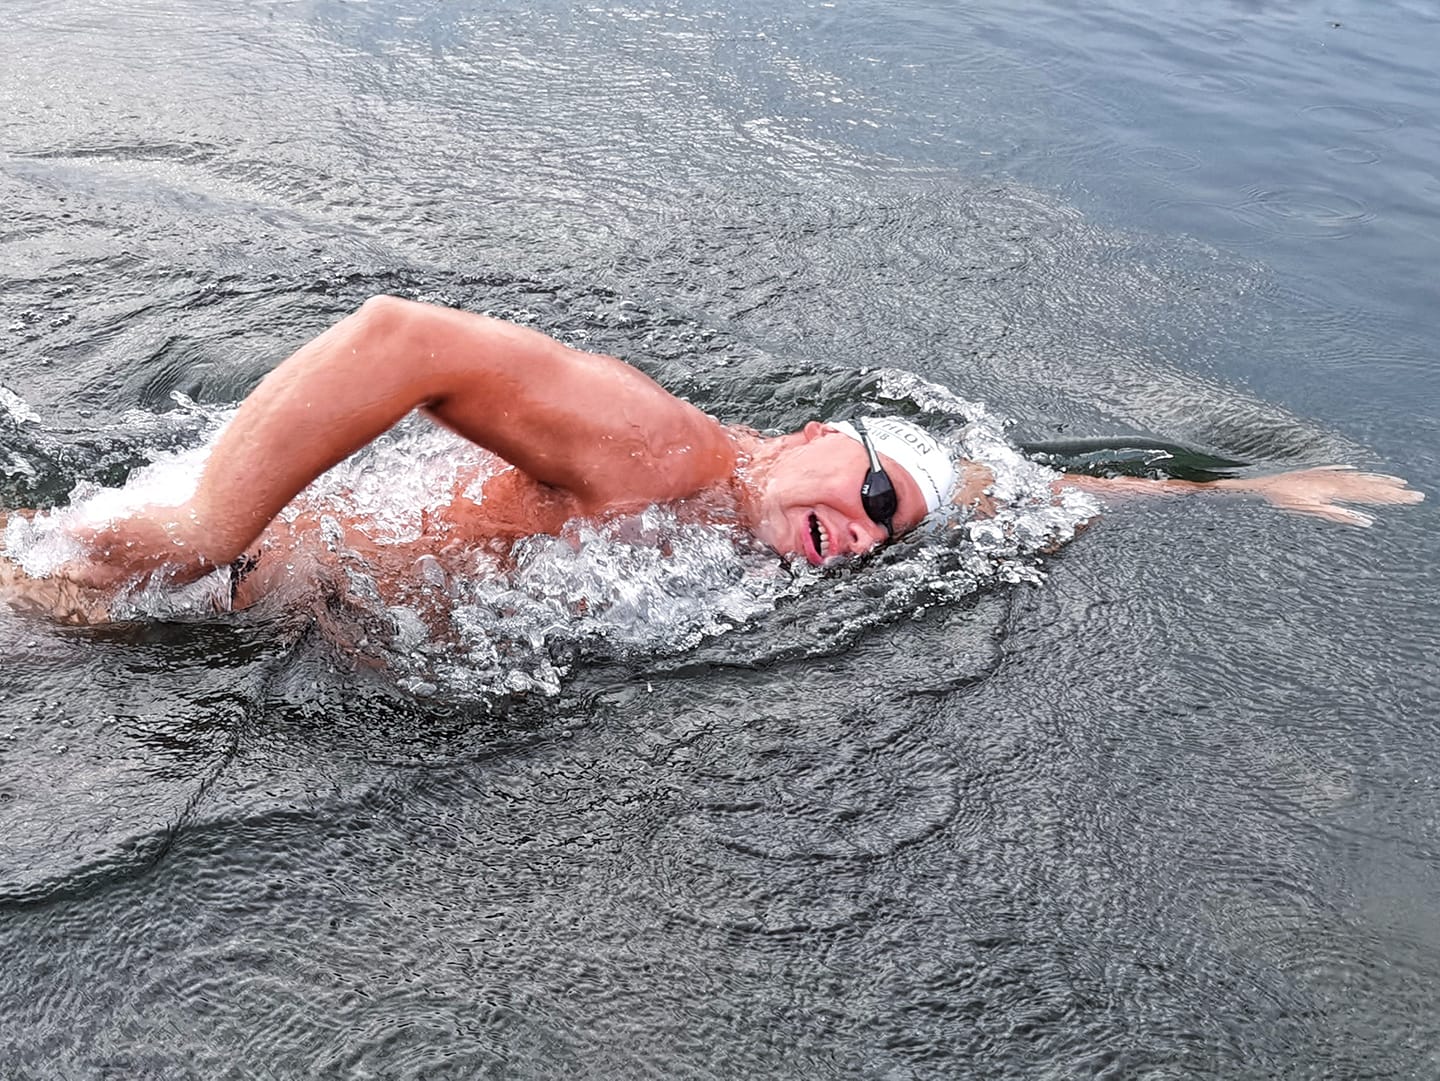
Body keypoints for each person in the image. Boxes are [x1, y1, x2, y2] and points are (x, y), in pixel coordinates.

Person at [0, 295, 1424, 621]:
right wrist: (202, 521)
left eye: (892, 530)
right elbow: (391, 338)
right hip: (173, 590)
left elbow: (1004, 485)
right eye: (868, 490)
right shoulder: (667, 452)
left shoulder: (756, 516)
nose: (869, 528)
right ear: (806, 439)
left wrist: (1242, 487)